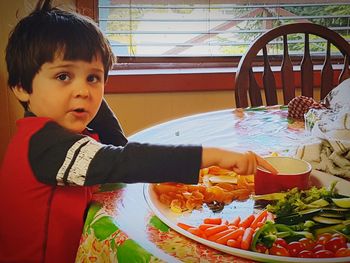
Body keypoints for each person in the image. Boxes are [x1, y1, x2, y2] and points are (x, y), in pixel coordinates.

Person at [0, 0, 277, 262]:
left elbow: (116, 144)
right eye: (63, 76)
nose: (83, 91)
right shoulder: (46, 146)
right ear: (22, 87)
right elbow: (125, 161)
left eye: (93, 78)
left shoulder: (59, 132)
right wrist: (213, 156)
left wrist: (87, 98)